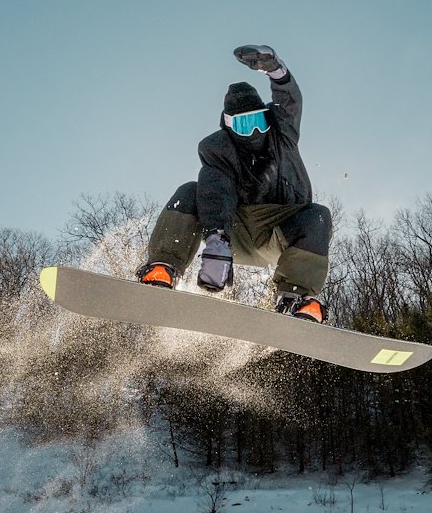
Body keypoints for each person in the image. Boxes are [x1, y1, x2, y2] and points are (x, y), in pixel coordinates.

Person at [135, 45, 332, 323]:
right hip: (233, 231)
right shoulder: (218, 149)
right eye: (243, 125)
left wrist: (276, 70)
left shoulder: (282, 133)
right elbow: (217, 191)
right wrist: (217, 239)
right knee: (190, 192)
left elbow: (290, 101)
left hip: (279, 230)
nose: (253, 132)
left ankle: (296, 297)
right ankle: (164, 267)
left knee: (319, 215)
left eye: (258, 122)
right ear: (228, 126)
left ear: (267, 118)